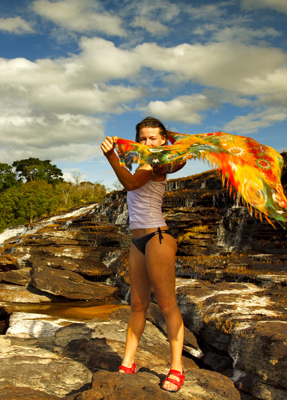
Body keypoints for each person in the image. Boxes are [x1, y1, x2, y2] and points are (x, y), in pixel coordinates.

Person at [100, 116, 185, 392]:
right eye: (143, 138)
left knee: (167, 305)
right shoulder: (142, 161)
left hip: (158, 238)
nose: (147, 143)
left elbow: (131, 184)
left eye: (153, 138)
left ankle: (176, 368)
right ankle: (128, 362)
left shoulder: (156, 164)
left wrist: (112, 157)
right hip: (137, 241)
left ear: (162, 141)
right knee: (137, 306)